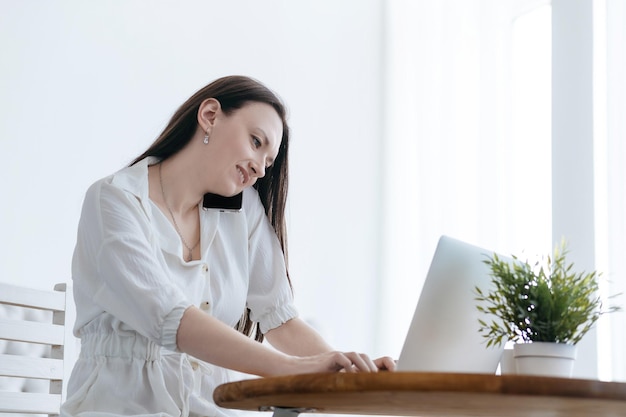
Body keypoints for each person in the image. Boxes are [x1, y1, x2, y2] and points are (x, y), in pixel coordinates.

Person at [61, 75, 395, 417]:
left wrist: (349, 376)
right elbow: (169, 318)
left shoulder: (244, 211)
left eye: (268, 162)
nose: (260, 170)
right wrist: (292, 368)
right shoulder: (115, 200)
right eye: (255, 141)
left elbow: (278, 318)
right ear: (209, 115)